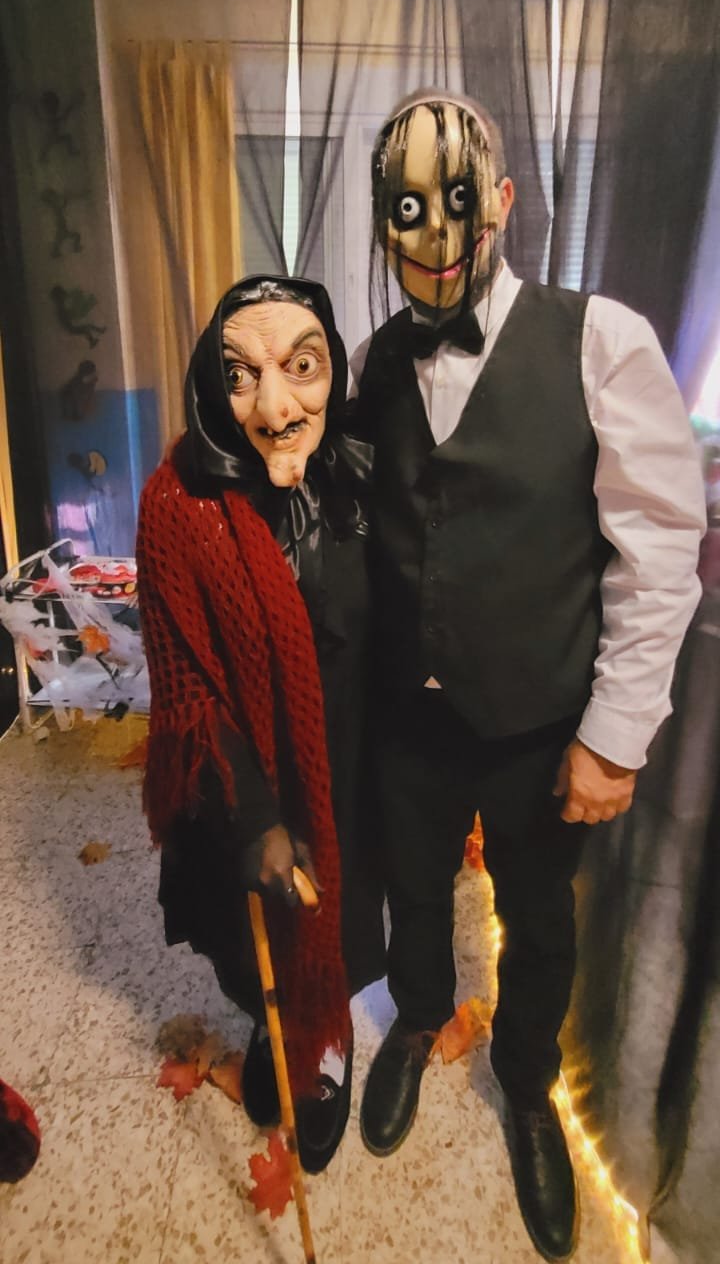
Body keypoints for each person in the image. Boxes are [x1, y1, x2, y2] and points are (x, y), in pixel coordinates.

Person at [351, 89, 706, 1260]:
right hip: (407, 715)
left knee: (540, 917)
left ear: (502, 200)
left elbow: (658, 550)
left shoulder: (602, 340)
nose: (435, 233)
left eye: (457, 200)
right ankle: (416, 1020)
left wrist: (614, 735)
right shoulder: (371, 358)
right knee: (411, 886)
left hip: (539, 718)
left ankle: (526, 1079)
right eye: (408, 208)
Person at [136, 274, 384, 1175]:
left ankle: (327, 1044)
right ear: (211, 382)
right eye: (241, 377)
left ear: (334, 371)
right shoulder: (177, 508)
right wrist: (254, 819)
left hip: (351, 761)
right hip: (243, 776)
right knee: (252, 934)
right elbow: (186, 689)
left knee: (339, 917)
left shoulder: (366, 479)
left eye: (301, 368)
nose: (276, 410)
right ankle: (276, 1025)